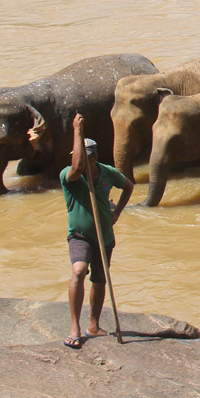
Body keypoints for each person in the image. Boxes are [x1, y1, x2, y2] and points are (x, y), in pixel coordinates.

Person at [60, 113, 132, 349]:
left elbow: (128, 186)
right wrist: (77, 130)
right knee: (79, 271)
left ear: (96, 157)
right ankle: (74, 326)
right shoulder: (70, 176)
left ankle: (93, 324)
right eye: (80, 157)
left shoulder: (107, 172)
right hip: (80, 236)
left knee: (100, 280)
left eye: (88, 157)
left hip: (104, 237)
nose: (84, 162)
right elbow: (77, 166)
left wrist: (116, 212)